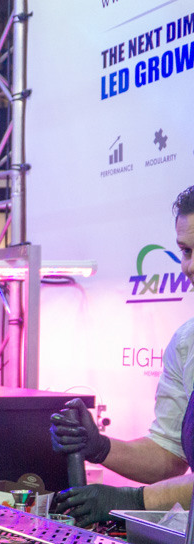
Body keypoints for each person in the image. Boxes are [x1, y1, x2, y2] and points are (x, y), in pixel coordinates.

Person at [52, 184, 194, 526]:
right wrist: (100, 447)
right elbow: (169, 454)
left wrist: (133, 500)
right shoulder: (186, 343)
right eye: (187, 251)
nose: (189, 267)